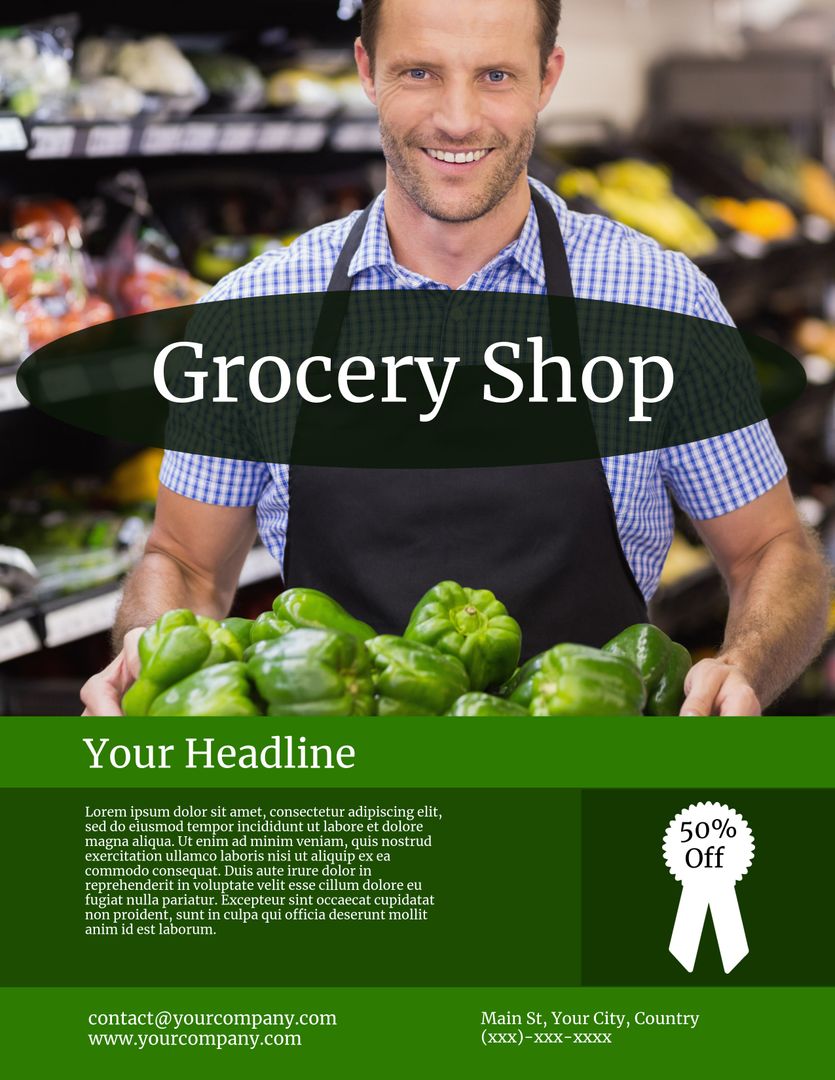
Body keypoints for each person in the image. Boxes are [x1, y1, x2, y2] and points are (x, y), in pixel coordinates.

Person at [82, 0, 830, 717]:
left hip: (587, 799)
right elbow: (184, 563)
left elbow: (771, 550)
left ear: (548, 77)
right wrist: (153, 653)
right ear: (366, 70)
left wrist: (743, 666)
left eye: (496, 75)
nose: (457, 118)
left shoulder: (657, 301)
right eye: (420, 73)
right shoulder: (257, 314)